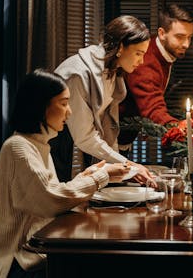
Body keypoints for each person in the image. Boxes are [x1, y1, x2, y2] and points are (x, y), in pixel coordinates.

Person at [0, 69, 132, 278]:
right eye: (63, 103)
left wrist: (86, 176)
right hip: (20, 264)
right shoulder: (18, 148)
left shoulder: (37, 145)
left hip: (40, 254)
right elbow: (52, 199)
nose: (70, 112)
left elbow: (47, 195)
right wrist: (101, 177)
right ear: (40, 106)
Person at [50, 15, 153, 182]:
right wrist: (127, 165)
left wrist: (123, 168)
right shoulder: (79, 75)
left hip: (71, 141)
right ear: (120, 47)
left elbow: (108, 126)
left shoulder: (113, 72)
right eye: (138, 54)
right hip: (52, 144)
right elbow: (84, 137)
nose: (141, 61)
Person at [117, 4, 193, 146]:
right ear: (161, 33)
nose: (186, 44)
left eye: (190, 37)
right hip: (111, 134)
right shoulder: (145, 61)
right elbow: (153, 109)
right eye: (180, 37)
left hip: (123, 134)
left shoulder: (161, 51)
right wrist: (184, 131)